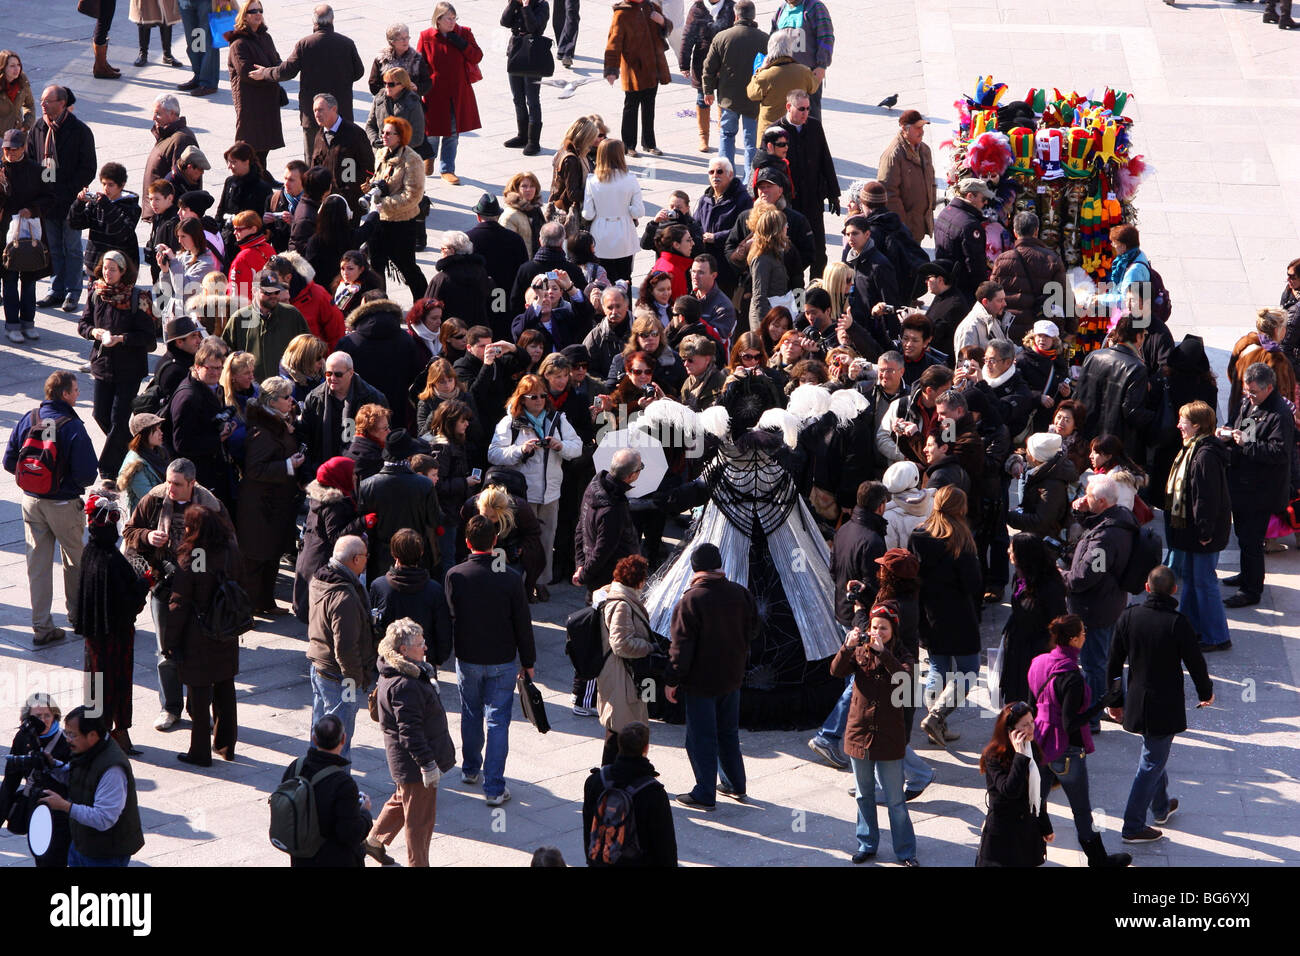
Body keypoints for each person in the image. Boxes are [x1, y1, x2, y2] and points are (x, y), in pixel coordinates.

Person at [1107, 566, 1215, 843]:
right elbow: (1196, 663)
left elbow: (1114, 664)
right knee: (1152, 760)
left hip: (1136, 699)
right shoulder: (1178, 623)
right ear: (1174, 590)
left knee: (1154, 752)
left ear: (1146, 587)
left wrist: (1115, 700)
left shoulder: (1129, 617)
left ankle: (1161, 806)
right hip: (1164, 704)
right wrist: (1206, 692)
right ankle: (1132, 825)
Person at [1026, 614, 1132, 866]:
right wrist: (1101, 705)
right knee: (1082, 811)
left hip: (1039, 743)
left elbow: (1032, 703)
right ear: (1073, 640)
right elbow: (1070, 723)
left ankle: (1033, 851)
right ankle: (1098, 860)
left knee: (1035, 802)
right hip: (1066, 751)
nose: (1086, 636)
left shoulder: (1038, 662)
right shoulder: (1072, 676)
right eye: (1083, 633)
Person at [445, 515, 536, 806]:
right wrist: (529, 660)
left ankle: (471, 769)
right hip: (502, 658)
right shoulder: (510, 578)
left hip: (468, 656)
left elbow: (451, 615)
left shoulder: (455, 575)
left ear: (468, 542)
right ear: (495, 541)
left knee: (470, 712)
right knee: (498, 721)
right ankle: (494, 787)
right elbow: (523, 623)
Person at [4, 372, 98, 647]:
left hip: (31, 503)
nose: (79, 394)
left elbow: (10, 461)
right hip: (63, 504)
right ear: (65, 395)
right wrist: (63, 483)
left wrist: (37, 481)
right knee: (75, 560)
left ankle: (42, 627)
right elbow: (87, 474)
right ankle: (78, 617)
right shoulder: (71, 425)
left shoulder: (29, 418)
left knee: (39, 565)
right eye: (76, 390)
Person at [665, 543, 757, 809]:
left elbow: (680, 648)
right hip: (732, 677)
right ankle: (735, 784)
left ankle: (705, 792)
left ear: (695, 569)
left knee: (701, 737)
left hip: (701, 683)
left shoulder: (691, 600)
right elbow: (754, 630)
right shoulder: (740, 593)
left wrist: (672, 679)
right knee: (728, 732)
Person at [830, 601, 918, 864]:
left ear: (893, 630)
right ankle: (867, 843)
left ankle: (905, 851)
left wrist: (884, 654)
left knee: (895, 800)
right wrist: (847, 647)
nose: (878, 631)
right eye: (874, 626)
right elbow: (835, 671)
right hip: (859, 732)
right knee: (863, 794)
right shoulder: (859, 651)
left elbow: (905, 681)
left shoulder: (903, 654)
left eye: (884, 627)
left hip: (889, 736)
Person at [364, 618, 457, 867]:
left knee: (401, 799)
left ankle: (374, 841)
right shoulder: (405, 684)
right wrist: (428, 765)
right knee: (420, 822)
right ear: (403, 650)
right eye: (419, 643)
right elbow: (410, 732)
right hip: (415, 764)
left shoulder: (397, 670)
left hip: (405, 762)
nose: (425, 647)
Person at [163, 504, 241, 766]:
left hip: (199, 635)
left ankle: (199, 753)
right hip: (227, 628)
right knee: (225, 688)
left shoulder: (195, 554)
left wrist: (170, 641)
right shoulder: (230, 548)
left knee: (199, 693)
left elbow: (180, 602)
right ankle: (226, 746)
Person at [488, 374, 582, 592]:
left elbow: (577, 446)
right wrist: (520, 450)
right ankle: (517, 584)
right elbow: (493, 454)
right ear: (522, 398)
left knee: (547, 541)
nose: (539, 400)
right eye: (533, 396)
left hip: (551, 492)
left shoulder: (557, 419)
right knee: (518, 541)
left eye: (542, 395)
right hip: (522, 495)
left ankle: (541, 583)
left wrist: (561, 446)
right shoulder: (510, 422)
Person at [74, 494, 150, 758]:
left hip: (94, 638)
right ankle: (117, 734)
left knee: (95, 684)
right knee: (116, 685)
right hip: (116, 638)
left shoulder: (89, 552)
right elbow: (128, 601)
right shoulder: (111, 560)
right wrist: (147, 581)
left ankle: (96, 733)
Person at [1064, 473, 1137, 732]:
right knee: (1106, 660)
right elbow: (1093, 528)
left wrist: (1061, 576)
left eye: (1090, 497)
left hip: (1095, 608)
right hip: (1109, 602)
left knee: (1095, 664)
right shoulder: (1118, 518)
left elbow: (1084, 577)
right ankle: (1116, 706)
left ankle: (1093, 718)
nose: (1084, 498)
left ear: (1103, 502)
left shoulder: (1106, 539)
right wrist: (1081, 512)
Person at [910, 485, 981, 747]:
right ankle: (937, 717)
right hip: (959, 615)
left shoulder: (918, 534)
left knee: (938, 668)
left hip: (928, 612)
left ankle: (936, 725)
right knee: (969, 670)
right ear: (960, 508)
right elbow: (973, 584)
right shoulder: (962, 538)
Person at [76, 253, 155, 485]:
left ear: (123, 271)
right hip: (102, 364)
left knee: (119, 419)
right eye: (105, 269)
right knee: (100, 414)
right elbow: (83, 324)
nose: (107, 274)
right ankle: (136, 448)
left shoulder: (138, 297)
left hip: (129, 367)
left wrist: (122, 339)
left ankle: (108, 470)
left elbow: (149, 339)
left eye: (113, 270)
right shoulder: (96, 293)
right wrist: (94, 333)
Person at [249, 4, 365, 161]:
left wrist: (265, 73)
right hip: (340, 111)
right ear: (332, 20)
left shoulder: (305, 44)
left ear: (314, 22)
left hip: (312, 113)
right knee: (342, 157)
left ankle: (312, 185)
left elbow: (286, 72)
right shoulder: (347, 43)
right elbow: (359, 72)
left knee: (313, 158)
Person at [1222, 362, 1294, 607]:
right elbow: (1245, 428)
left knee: (1252, 540)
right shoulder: (1252, 403)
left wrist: (1246, 444)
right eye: (1246, 390)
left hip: (1260, 490)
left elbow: (1279, 453)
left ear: (1269, 388)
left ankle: (1251, 590)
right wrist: (1229, 433)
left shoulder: (1279, 414)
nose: (1248, 395)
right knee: (1243, 536)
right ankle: (1247, 575)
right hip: (1243, 483)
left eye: (1253, 391)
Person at [1163, 402, 1232, 651]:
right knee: (1192, 580)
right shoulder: (1193, 449)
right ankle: (1190, 628)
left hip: (1203, 533)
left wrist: (1205, 533)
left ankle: (1217, 636)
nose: (1179, 425)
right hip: (1191, 532)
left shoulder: (1204, 456)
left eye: (1183, 421)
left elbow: (1206, 499)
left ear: (1197, 426)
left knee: (1204, 582)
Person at [38, 706, 144, 868]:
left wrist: (65, 806)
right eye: (66, 733)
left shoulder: (112, 769)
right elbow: (77, 778)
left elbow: (104, 818)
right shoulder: (86, 748)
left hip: (107, 854)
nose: (67, 739)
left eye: (72, 735)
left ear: (92, 735)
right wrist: (53, 765)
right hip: (82, 843)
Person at [307, 535, 376, 761]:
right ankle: (335, 786)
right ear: (356, 559)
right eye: (365, 556)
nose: (367, 560)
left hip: (320, 665)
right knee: (339, 741)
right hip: (339, 676)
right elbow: (345, 649)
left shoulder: (321, 578)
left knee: (320, 731)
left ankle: (314, 775)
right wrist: (355, 680)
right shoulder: (344, 597)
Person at [32, 85, 97, 314]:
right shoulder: (39, 128)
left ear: (62, 103)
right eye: (42, 101)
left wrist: (67, 190)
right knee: (54, 248)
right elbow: (32, 160)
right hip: (47, 201)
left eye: (48, 101)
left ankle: (73, 291)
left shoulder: (79, 131)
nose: (43, 105)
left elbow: (88, 168)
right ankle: (56, 289)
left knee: (71, 247)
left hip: (69, 201)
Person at [582, 721, 678, 867]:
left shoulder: (595, 781)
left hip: (603, 861)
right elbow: (665, 845)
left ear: (619, 746)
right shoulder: (653, 792)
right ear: (645, 748)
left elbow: (589, 829)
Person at [281, 714, 372, 867]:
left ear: (314, 739)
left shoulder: (296, 767)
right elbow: (350, 834)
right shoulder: (343, 784)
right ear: (343, 740)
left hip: (302, 858)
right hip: (334, 859)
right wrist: (365, 813)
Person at [975, 701, 1053, 867]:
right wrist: (1020, 757)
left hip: (1027, 834)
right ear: (1010, 730)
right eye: (1025, 725)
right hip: (1003, 838)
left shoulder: (1032, 749)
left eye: (1032, 722)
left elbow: (1037, 794)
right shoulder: (994, 756)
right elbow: (1009, 790)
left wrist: (1045, 826)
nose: (1032, 728)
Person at [358, 429, 441, 580]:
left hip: (380, 560)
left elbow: (363, 527)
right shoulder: (425, 485)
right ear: (409, 457)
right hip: (416, 556)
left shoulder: (367, 485)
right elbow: (435, 520)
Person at [0, 693, 72, 867]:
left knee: (55, 857)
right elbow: (11, 780)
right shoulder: (23, 738)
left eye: (47, 715)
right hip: (35, 806)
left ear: (55, 715)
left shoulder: (66, 740)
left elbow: (76, 776)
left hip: (60, 809)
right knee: (41, 856)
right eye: (38, 716)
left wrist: (53, 765)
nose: (44, 720)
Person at [417, 3, 484, 184]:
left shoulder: (464, 33)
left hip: (458, 92)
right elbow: (419, 64)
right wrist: (419, 87)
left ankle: (447, 169)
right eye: (449, 18)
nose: (453, 22)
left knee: (452, 133)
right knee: (431, 131)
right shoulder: (426, 36)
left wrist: (462, 44)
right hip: (435, 92)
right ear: (438, 19)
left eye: (455, 18)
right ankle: (428, 157)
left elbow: (477, 56)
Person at [363, 118, 429, 301]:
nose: (383, 135)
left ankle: (423, 304)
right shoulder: (381, 153)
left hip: (401, 223)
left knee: (407, 267)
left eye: (388, 133)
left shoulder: (412, 160)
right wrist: (370, 188)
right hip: (379, 220)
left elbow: (413, 196)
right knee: (376, 266)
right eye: (383, 132)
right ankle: (380, 305)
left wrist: (383, 203)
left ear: (400, 137)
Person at [1074, 313, 1152, 464]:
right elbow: (1133, 412)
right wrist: (1155, 417)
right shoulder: (1137, 368)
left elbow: (1078, 396)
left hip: (1086, 438)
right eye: (1143, 335)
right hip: (1113, 446)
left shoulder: (1093, 356)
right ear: (1138, 337)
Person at [778, 89, 838, 279]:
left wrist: (833, 193)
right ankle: (797, 296)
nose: (805, 113)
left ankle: (815, 292)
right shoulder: (776, 132)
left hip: (813, 200)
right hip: (790, 204)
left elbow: (825, 159)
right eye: (801, 109)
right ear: (789, 107)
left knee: (819, 250)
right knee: (793, 252)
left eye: (808, 109)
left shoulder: (814, 126)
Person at [702, 2, 766, 178]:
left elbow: (709, 67)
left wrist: (707, 90)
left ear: (736, 16)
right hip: (753, 100)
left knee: (726, 136)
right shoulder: (764, 39)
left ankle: (725, 176)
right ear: (753, 16)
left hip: (728, 98)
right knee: (751, 142)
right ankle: (750, 179)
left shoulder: (722, 37)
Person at [1, 128, 53, 343]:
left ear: (23, 148)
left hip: (31, 231)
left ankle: (28, 322)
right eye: (6, 149)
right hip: (5, 233)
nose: (9, 153)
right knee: (10, 279)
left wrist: (32, 209)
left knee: (29, 279)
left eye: (14, 149)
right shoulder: (1, 169)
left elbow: (50, 197)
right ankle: (12, 324)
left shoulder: (37, 170)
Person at [990, 210, 1073, 342]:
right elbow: (1064, 295)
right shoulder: (1052, 259)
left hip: (1011, 330)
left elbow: (991, 295)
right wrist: (1071, 329)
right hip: (1042, 332)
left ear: (1015, 233)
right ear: (1036, 231)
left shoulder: (1002, 260)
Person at [604, 0, 672, 157]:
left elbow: (668, 27)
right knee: (631, 107)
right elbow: (613, 43)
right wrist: (611, 69)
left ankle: (649, 143)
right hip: (634, 69)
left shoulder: (652, 7)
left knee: (649, 107)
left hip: (653, 68)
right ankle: (628, 145)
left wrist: (662, 22)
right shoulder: (622, 14)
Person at [224, 2, 285, 164]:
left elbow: (276, 60)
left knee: (265, 141)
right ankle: (252, 172)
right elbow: (246, 73)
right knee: (250, 142)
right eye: (253, 11)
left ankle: (261, 171)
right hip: (250, 100)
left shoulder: (265, 37)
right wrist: (270, 73)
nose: (258, 14)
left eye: (260, 10)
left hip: (268, 96)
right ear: (244, 15)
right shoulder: (239, 43)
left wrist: (270, 71)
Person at [582, 139, 644, 285]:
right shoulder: (631, 179)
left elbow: (588, 214)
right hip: (625, 235)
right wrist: (625, 208)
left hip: (600, 235)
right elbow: (638, 212)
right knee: (625, 279)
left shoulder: (592, 180)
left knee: (603, 281)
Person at [68, 162, 141, 277]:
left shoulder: (132, 207)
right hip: (95, 266)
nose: (106, 188)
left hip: (119, 268)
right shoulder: (97, 203)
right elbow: (75, 224)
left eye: (110, 185)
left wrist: (106, 205)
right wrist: (79, 204)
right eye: (104, 184)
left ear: (121, 185)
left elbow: (121, 232)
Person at [308, 95, 375, 219]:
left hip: (350, 204)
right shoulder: (319, 135)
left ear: (334, 109)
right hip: (326, 203)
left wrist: (352, 189)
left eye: (320, 110)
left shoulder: (355, 133)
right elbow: (315, 167)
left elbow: (369, 168)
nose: (317, 114)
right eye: (314, 111)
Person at [876, 109, 935, 243]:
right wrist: (903, 224)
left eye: (923, 127)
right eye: (917, 128)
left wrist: (930, 207)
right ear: (904, 129)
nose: (922, 131)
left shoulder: (924, 150)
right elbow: (888, 194)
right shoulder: (893, 156)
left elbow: (931, 179)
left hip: (919, 223)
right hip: (904, 228)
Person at [500, 0, 549, 156]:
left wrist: (527, 7)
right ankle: (522, 135)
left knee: (532, 100)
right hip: (515, 53)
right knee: (518, 98)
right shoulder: (515, 3)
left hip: (533, 55)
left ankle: (534, 141)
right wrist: (514, 4)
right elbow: (505, 22)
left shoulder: (542, 5)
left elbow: (535, 28)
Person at [933, 177, 993, 300]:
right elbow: (976, 266)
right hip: (963, 291)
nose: (985, 203)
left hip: (946, 283)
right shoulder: (970, 225)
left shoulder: (945, 211)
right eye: (984, 199)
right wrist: (983, 292)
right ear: (970, 196)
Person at [366, 67, 428, 160]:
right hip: (380, 155)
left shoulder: (413, 103)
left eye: (391, 84)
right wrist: (374, 140)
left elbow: (418, 136)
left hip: (404, 158)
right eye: (385, 83)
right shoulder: (379, 98)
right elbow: (370, 126)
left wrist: (396, 146)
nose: (387, 87)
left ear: (402, 85)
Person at [116, 413, 168, 516]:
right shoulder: (135, 465)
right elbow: (149, 498)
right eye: (156, 430)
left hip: (160, 514)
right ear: (144, 434)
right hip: (144, 519)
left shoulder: (159, 453)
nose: (161, 433)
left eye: (160, 429)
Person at [368, 23, 433, 100]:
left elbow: (427, 83)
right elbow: (373, 84)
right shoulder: (382, 59)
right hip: (387, 104)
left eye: (407, 37)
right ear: (392, 42)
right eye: (401, 38)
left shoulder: (416, 59)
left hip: (411, 104)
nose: (405, 41)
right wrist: (389, 89)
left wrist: (417, 87)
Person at [0, 51, 35, 139]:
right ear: (3, 67)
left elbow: (29, 104)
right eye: (12, 66)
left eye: (18, 65)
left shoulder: (22, 80)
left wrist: (26, 125)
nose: (17, 69)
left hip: (18, 135)